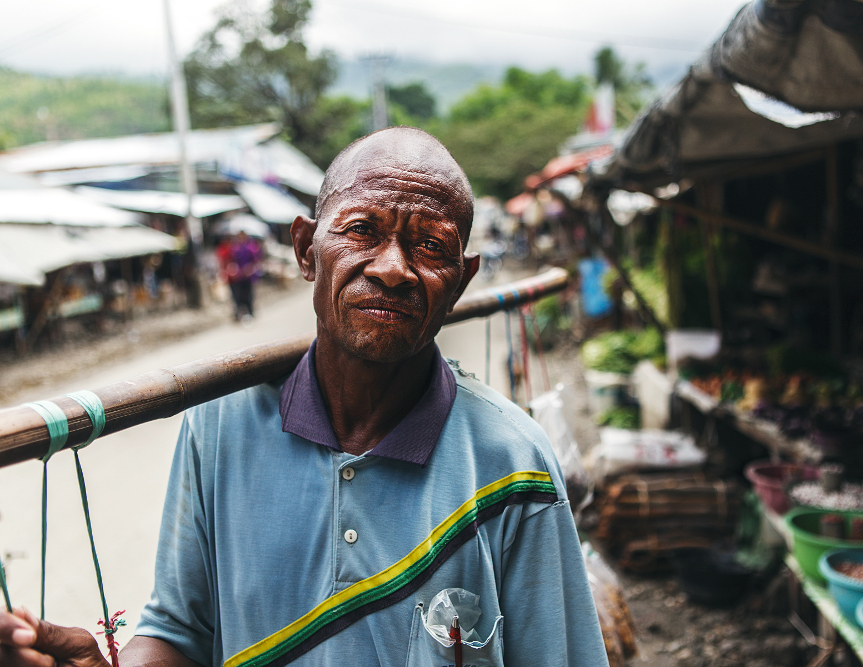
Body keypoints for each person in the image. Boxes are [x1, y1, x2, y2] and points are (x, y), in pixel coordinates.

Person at [0, 127, 609, 667]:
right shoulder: (219, 424)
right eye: (362, 231)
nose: (392, 268)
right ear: (305, 251)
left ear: (462, 280)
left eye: (430, 245)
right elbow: (181, 632)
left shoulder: (512, 463)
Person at [219, 230, 263, 321]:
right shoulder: (235, 248)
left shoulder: (251, 247)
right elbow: (231, 260)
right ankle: (240, 313)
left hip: (248, 276)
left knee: (249, 295)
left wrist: (250, 269)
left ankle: (250, 312)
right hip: (238, 276)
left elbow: (256, 260)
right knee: (238, 296)